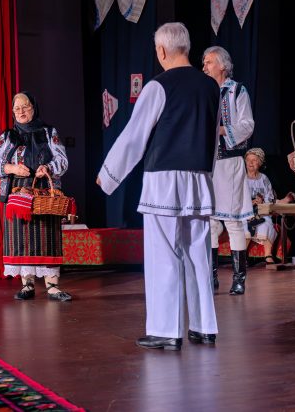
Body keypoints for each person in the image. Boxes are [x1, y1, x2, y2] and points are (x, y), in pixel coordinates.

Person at [97, 22, 219, 351]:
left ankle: (166, 330)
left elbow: (134, 136)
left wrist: (108, 174)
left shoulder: (158, 86)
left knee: (163, 252)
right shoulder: (211, 86)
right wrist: (207, 174)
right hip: (199, 178)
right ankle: (204, 326)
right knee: (198, 253)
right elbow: (213, 137)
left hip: (164, 178)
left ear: (162, 50)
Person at [0, 92, 72, 302]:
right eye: (17, 108)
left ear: (34, 108)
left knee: (47, 237)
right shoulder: (7, 136)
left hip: (45, 194)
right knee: (22, 239)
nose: (21, 111)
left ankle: (52, 286)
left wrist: (48, 168)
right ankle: (27, 285)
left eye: (25, 107)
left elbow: (63, 161)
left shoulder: (49, 132)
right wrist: (12, 168)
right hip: (18, 194)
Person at [202, 46, 255, 295]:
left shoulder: (237, 91)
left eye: (209, 62)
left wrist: (222, 130)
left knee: (232, 221)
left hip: (230, 162)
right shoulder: (204, 91)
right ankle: (211, 276)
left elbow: (247, 124)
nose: (204, 67)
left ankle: (239, 278)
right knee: (211, 222)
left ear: (223, 65)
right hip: (209, 163)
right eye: (204, 62)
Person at [242, 148, 294, 264]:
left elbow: (270, 198)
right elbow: (236, 199)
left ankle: (268, 255)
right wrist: (250, 202)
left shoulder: (264, 178)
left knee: (266, 223)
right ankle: (242, 256)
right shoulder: (241, 178)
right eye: (248, 160)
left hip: (261, 212)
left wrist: (261, 201)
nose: (250, 163)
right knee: (247, 225)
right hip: (245, 212)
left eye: (254, 160)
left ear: (260, 163)